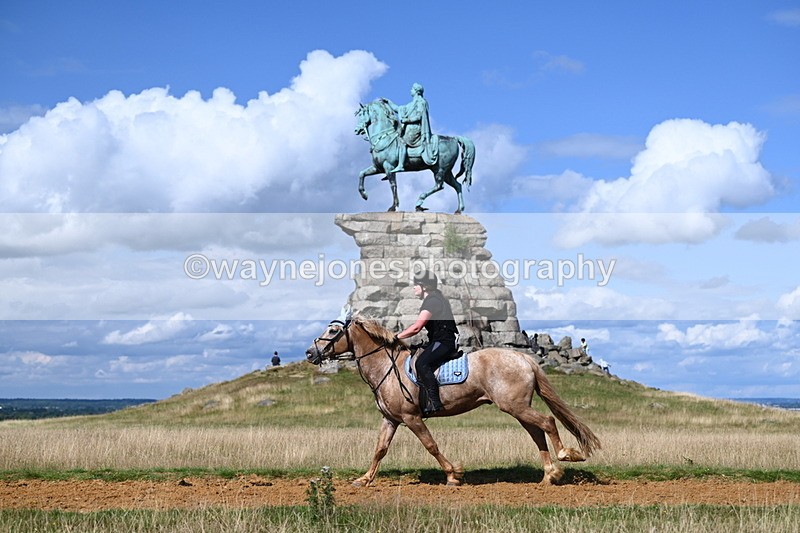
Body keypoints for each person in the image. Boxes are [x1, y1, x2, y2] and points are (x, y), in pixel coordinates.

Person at [396, 270, 459, 417]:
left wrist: (396, 337)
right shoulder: (434, 299)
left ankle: (434, 402)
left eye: (416, 285)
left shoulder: (432, 301)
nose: (414, 288)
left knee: (421, 363)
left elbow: (416, 327)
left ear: (424, 286)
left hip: (443, 342)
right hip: (438, 341)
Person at [382, 83, 434, 172]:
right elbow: (398, 109)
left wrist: (407, 120)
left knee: (401, 141)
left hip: (415, 129)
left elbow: (419, 116)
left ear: (417, 91)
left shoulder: (421, 102)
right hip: (408, 128)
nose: (410, 90)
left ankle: (401, 165)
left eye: (412, 89)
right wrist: (388, 102)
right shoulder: (411, 104)